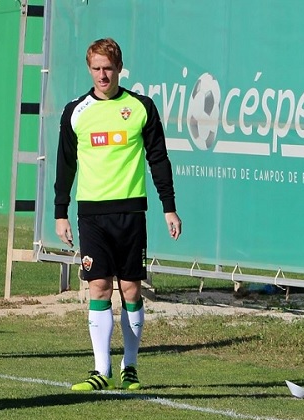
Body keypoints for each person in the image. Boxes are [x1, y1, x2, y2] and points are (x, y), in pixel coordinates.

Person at [54, 38, 181, 392]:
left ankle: (131, 366)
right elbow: (66, 164)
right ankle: (100, 370)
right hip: (91, 214)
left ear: (119, 68)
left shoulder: (140, 107)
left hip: (130, 211)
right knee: (97, 285)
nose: (102, 75)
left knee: (130, 288)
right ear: (88, 69)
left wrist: (168, 207)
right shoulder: (75, 111)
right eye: (95, 68)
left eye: (107, 68)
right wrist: (60, 213)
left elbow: (158, 159)